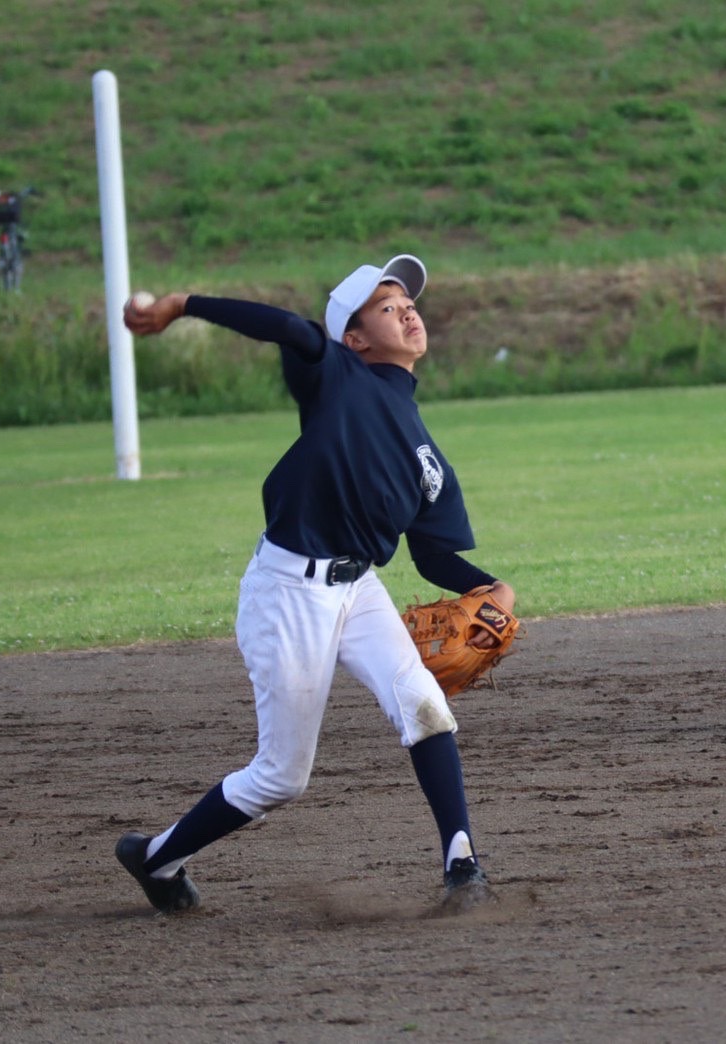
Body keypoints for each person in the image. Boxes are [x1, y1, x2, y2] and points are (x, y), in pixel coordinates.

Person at [115, 254, 514, 913]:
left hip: (361, 589)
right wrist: (183, 303)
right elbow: (286, 328)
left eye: (408, 303)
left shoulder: (425, 450)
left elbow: (434, 555)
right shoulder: (334, 374)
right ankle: (155, 858)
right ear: (353, 338)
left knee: (425, 708)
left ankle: (462, 861)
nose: (407, 310)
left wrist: (495, 587)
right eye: (386, 308)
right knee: (282, 776)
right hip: (288, 589)